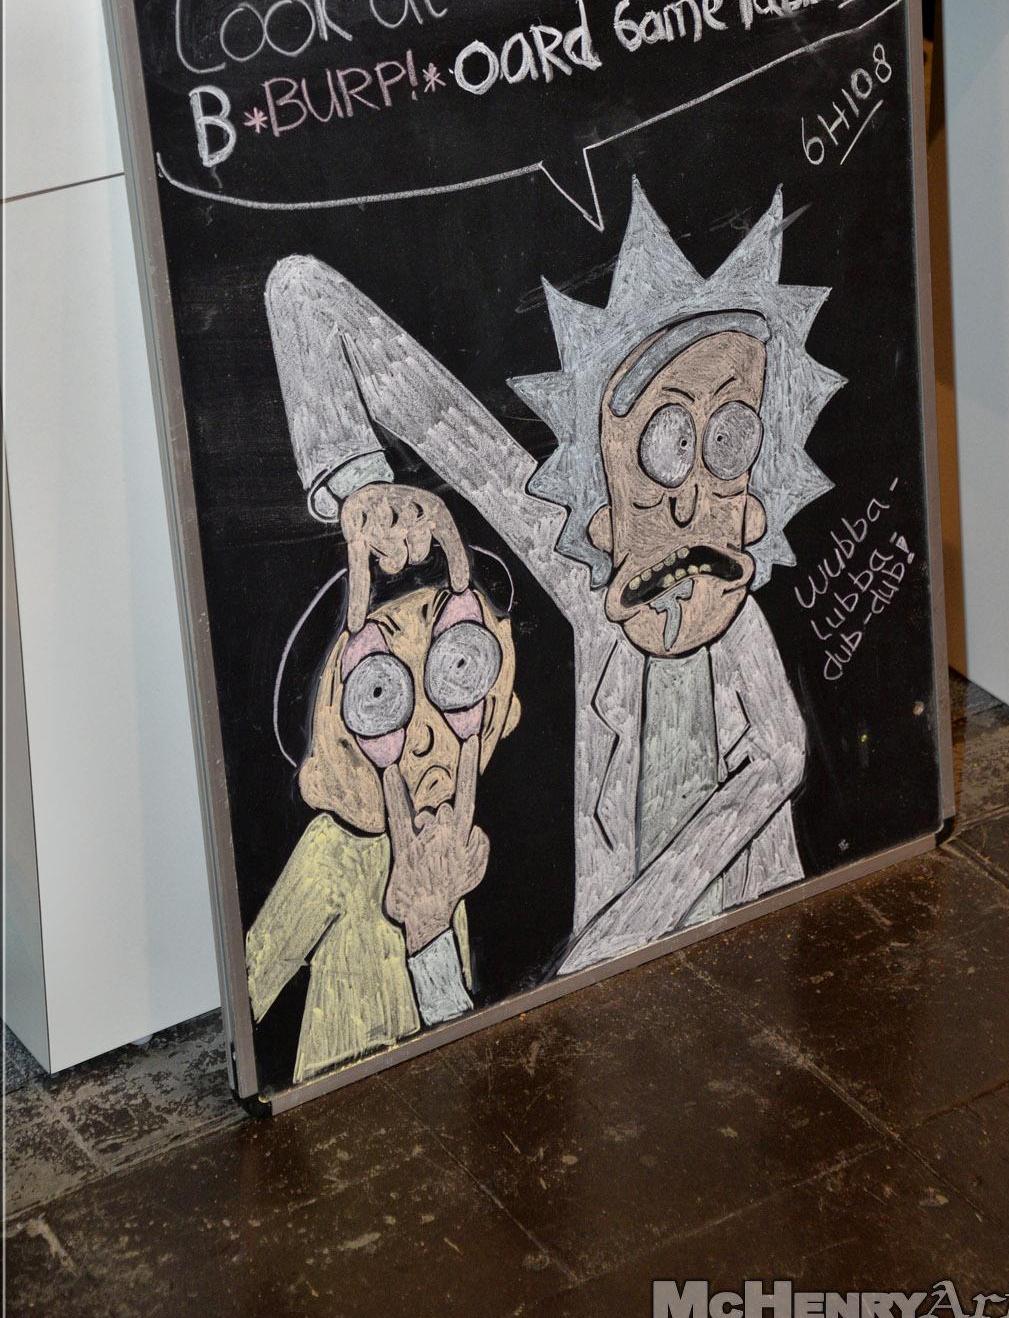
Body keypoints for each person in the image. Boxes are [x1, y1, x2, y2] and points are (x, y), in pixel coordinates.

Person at [264, 182, 842, 980]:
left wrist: (605, 944)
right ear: (600, 496)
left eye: (731, 442)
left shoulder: (739, 625)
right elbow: (302, 292)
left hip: (747, 972)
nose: (692, 500)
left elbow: (779, 759)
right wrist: (362, 484)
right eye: (665, 445)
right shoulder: (591, 579)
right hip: (624, 1011)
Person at [247, 575, 520, 1083]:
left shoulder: (448, 838)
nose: (424, 734)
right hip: (345, 1091)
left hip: (435, 1082)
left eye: (457, 664)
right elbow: (253, 982)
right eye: (378, 693)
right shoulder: (332, 852)